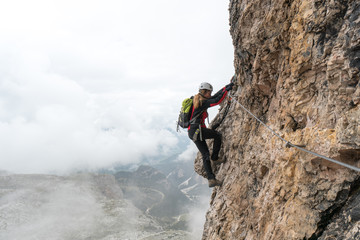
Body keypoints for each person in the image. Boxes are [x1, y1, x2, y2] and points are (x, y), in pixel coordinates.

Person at [188, 82, 234, 187]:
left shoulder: (197, 99)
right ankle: (215, 157)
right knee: (217, 135)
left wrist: (225, 88)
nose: (210, 94)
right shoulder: (202, 101)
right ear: (205, 92)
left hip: (192, 132)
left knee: (205, 155)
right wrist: (227, 90)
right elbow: (216, 101)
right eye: (209, 92)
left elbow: (214, 97)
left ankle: (211, 179)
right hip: (198, 130)